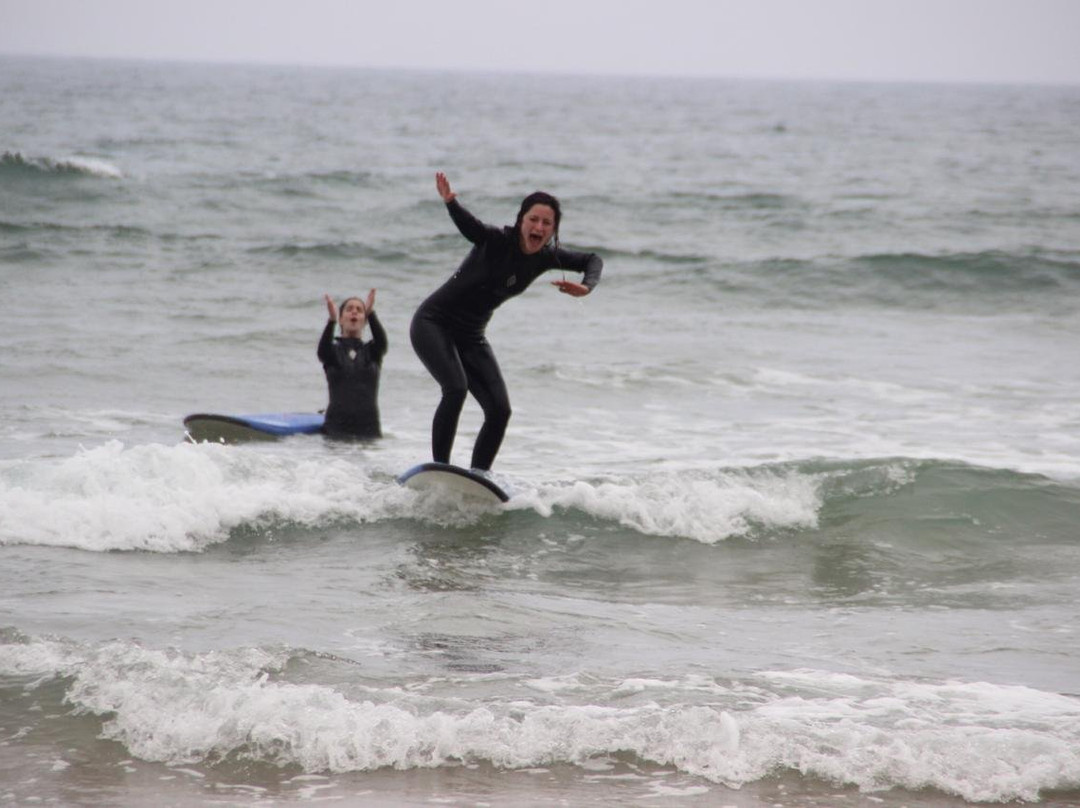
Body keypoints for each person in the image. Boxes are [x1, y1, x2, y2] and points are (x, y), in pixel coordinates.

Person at [410, 172, 603, 471]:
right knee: (456, 388)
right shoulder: (496, 240)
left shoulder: (546, 258)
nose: (538, 227)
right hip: (433, 323)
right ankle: (440, 470)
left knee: (500, 410)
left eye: (546, 223)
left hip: (471, 335)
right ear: (521, 220)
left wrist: (587, 287)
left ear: (553, 231)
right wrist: (451, 202)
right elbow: (470, 227)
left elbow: (592, 260)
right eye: (533, 219)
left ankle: (478, 478)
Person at [318, 290, 387, 440]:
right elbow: (322, 351)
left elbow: (382, 342)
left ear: (364, 320)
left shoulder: (372, 352)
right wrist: (331, 320)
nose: (354, 312)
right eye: (349, 309)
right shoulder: (333, 352)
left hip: (369, 432)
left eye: (359, 310)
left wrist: (371, 313)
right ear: (341, 319)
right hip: (335, 431)